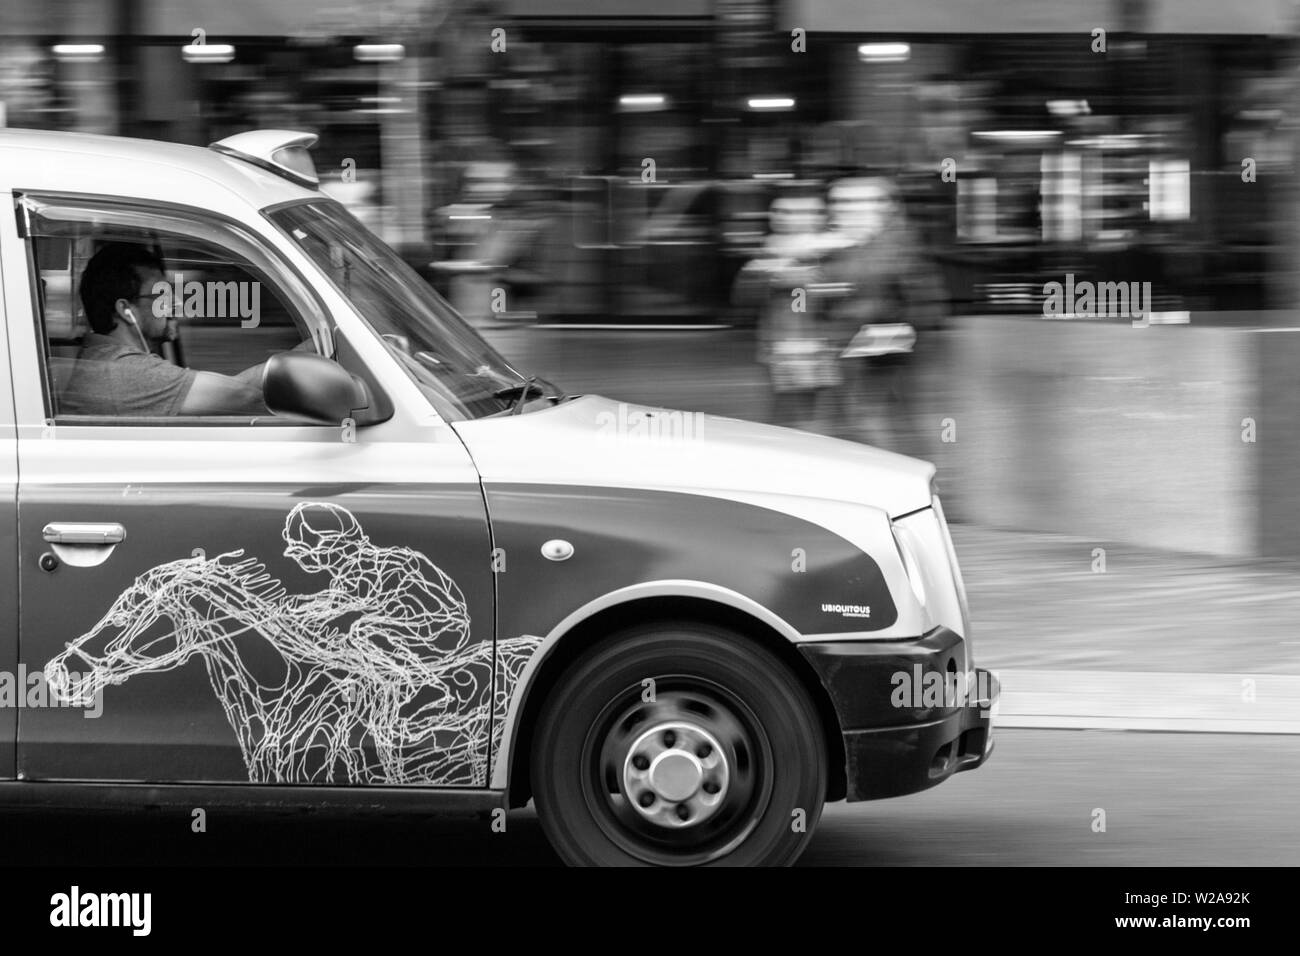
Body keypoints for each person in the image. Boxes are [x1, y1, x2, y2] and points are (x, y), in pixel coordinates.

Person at [59, 242, 267, 417]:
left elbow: (236, 389)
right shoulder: (124, 371)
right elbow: (243, 395)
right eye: (162, 294)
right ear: (125, 309)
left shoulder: (105, 360)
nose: (176, 303)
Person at [817, 176, 947, 454]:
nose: (841, 209)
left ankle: (901, 472)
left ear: (882, 205)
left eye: (854, 202)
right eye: (838, 202)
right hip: (861, 337)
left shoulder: (890, 240)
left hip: (886, 335)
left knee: (866, 409)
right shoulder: (848, 240)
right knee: (873, 410)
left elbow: (892, 288)